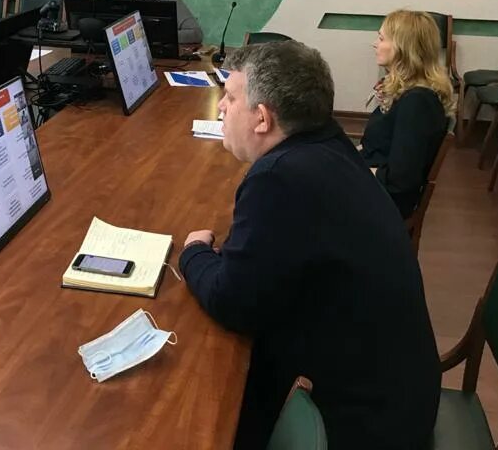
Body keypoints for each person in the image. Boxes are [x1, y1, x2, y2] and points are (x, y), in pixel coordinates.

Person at [180, 42, 440, 450]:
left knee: (197, 406)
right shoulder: (327, 144)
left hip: (363, 421)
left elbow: (233, 303)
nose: (221, 109)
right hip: (398, 388)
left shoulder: (279, 178)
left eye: (229, 98)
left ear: (262, 118)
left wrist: (193, 252)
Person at [360, 10, 454, 218]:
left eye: (381, 38)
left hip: (383, 205)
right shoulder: (409, 93)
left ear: (403, 48)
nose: (375, 44)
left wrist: (349, 170)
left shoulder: (417, 103)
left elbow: (400, 180)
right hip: (374, 189)